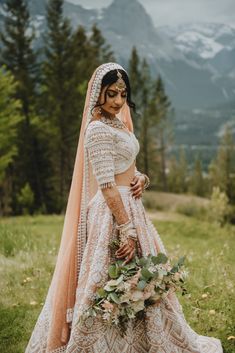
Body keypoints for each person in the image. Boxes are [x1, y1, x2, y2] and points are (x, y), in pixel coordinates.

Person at [25, 62, 223, 353]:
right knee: (112, 276)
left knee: (140, 275)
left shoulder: (117, 123)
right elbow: (106, 186)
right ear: (98, 95)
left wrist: (141, 177)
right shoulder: (96, 129)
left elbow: (125, 166)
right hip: (112, 213)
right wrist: (125, 228)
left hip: (131, 204)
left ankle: (145, 338)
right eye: (111, 94)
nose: (118, 101)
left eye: (122, 93)